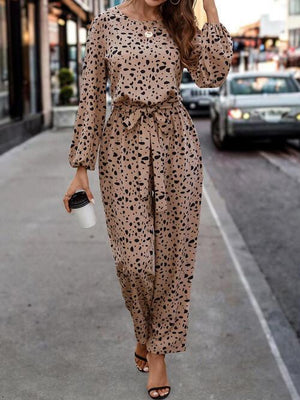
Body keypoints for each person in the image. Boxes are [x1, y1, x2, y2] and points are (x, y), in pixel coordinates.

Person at [63, 0, 233, 398]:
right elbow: (90, 97)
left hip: (176, 144)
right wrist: (80, 169)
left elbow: (213, 73)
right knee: (134, 260)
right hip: (122, 145)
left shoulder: (180, 20)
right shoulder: (105, 25)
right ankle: (145, 330)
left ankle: (157, 353)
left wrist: (209, 6)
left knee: (174, 256)